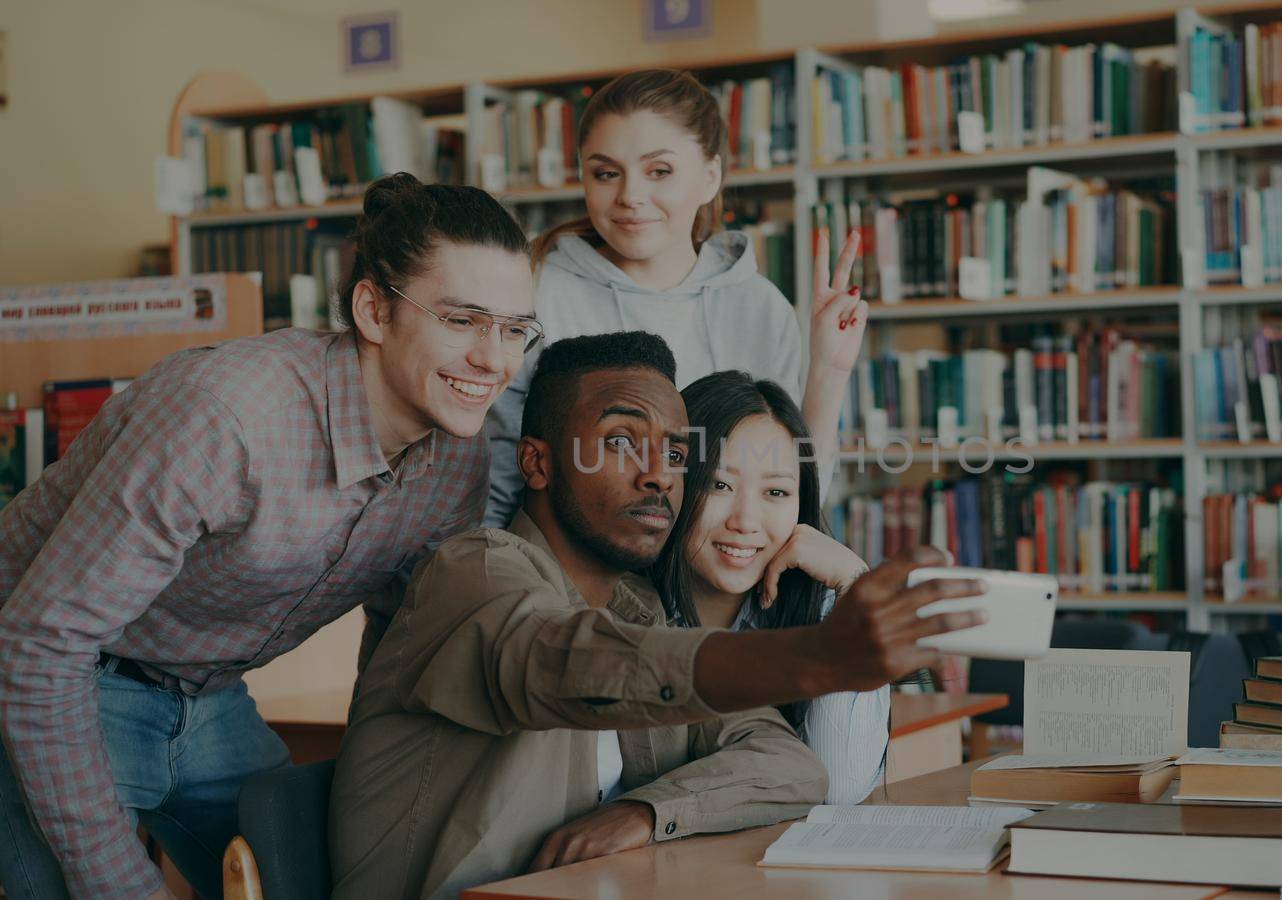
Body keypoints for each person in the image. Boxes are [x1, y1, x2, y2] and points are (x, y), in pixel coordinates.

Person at [0, 173, 541, 900]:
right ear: (373, 309)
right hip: (42, 677)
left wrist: (373, 790)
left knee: (328, 875)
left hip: (210, 696)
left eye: (513, 330)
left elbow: (397, 638)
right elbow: (39, 645)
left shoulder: (457, 461)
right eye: (461, 321)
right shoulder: (226, 418)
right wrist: (124, 886)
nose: (493, 360)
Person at [330, 332, 830, 900]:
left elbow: (788, 763)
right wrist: (810, 658)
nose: (659, 476)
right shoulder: (470, 572)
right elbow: (560, 663)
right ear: (537, 463)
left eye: (673, 454)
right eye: (620, 442)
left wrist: (646, 812)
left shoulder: (637, 609)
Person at [484, 67, 866, 527]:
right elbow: (499, 470)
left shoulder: (760, 307)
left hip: (714, 577)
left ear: (710, 177)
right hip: (571, 580)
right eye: (606, 173)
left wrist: (828, 370)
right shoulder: (538, 289)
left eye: (659, 171)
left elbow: (788, 499)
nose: (630, 196)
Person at [652, 371, 888, 804]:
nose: (745, 521)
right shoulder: (625, 610)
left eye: (776, 492)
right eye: (718, 485)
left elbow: (840, 788)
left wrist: (855, 588)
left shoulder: (820, 611)